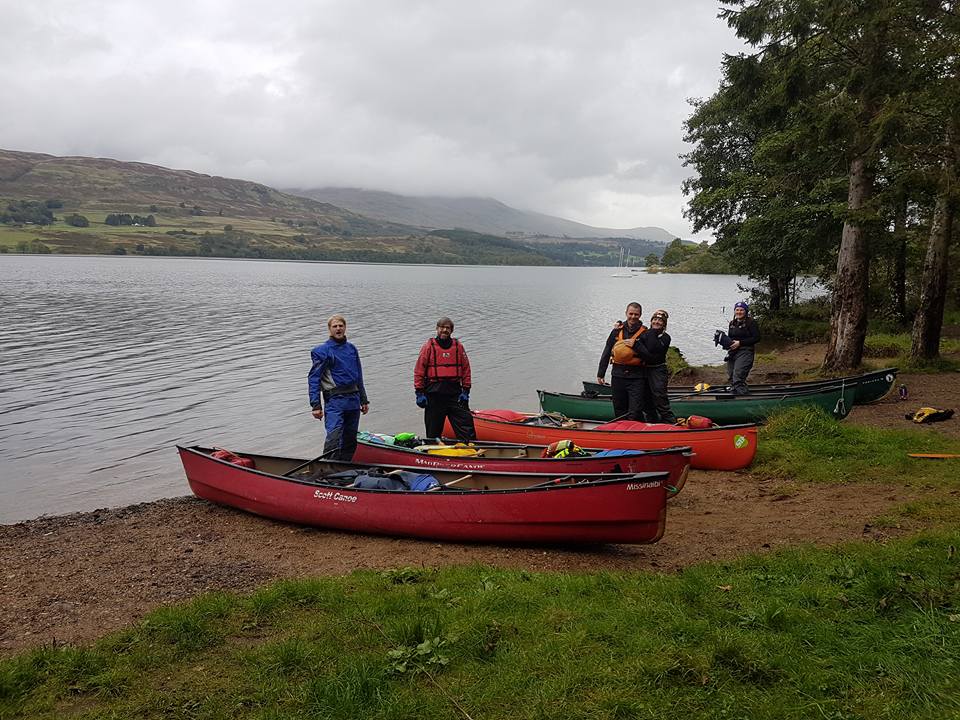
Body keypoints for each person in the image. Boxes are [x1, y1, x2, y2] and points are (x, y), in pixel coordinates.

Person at [307, 314, 369, 460]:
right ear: (330, 329)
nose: (338, 328)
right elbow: (314, 378)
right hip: (335, 401)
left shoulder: (352, 349)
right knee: (334, 439)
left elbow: (359, 375)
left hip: (353, 400)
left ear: (345, 327)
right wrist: (315, 405)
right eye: (335, 326)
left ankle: (344, 470)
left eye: (341, 325)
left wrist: (364, 399)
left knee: (350, 440)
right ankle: (327, 469)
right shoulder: (322, 351)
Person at [414, 317, 477, 441]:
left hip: (455, 394)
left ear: (451, 330)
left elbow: (466, 370)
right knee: (433, 432)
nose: (444, 330)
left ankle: (471, 450)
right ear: (437, 329)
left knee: (466, 426)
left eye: (447, 328)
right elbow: (419, 371)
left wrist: (466, 391)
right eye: (442, 327)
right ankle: (433, 452)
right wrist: (419, 393)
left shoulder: (458, 347)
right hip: (434, 394)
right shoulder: (428, 347)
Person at [596, 302, 647, 420]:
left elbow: (649, 355)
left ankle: (635, 434)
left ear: (640, 315)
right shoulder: (616, 330)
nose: (633, 317)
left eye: (636, 314)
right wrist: (601, 373)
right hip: (618, 375)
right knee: (619, 409)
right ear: (626, 313)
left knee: (635, 411)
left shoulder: (645, 333)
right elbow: (607, 350)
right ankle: (621, 434)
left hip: (637, 377)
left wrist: (637, 346)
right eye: (631, 314)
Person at [633, 308, 676, 423]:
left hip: (658, 370)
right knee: (645, 397)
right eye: (654, 319)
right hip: (644, 370)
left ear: (664, 324)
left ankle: (671, 422)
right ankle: (652, 422)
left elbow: (652, 354)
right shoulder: (645, 333)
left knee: (659, 396)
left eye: (660, 320)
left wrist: (637, 345)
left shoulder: (666, 337)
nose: (656, 322)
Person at [725, 301, 760, 395]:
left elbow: (756, 338)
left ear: (746, 311)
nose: (739, 312)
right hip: (733, 352)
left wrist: (740, 343)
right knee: (731, 376)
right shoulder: (732, 323)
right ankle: (734, 394)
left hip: (746, 351)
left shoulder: (751, 322)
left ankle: (745, 397)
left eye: (741, 310)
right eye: (737, 310)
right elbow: (731, 337)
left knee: (738, 376)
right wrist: (725, 342)